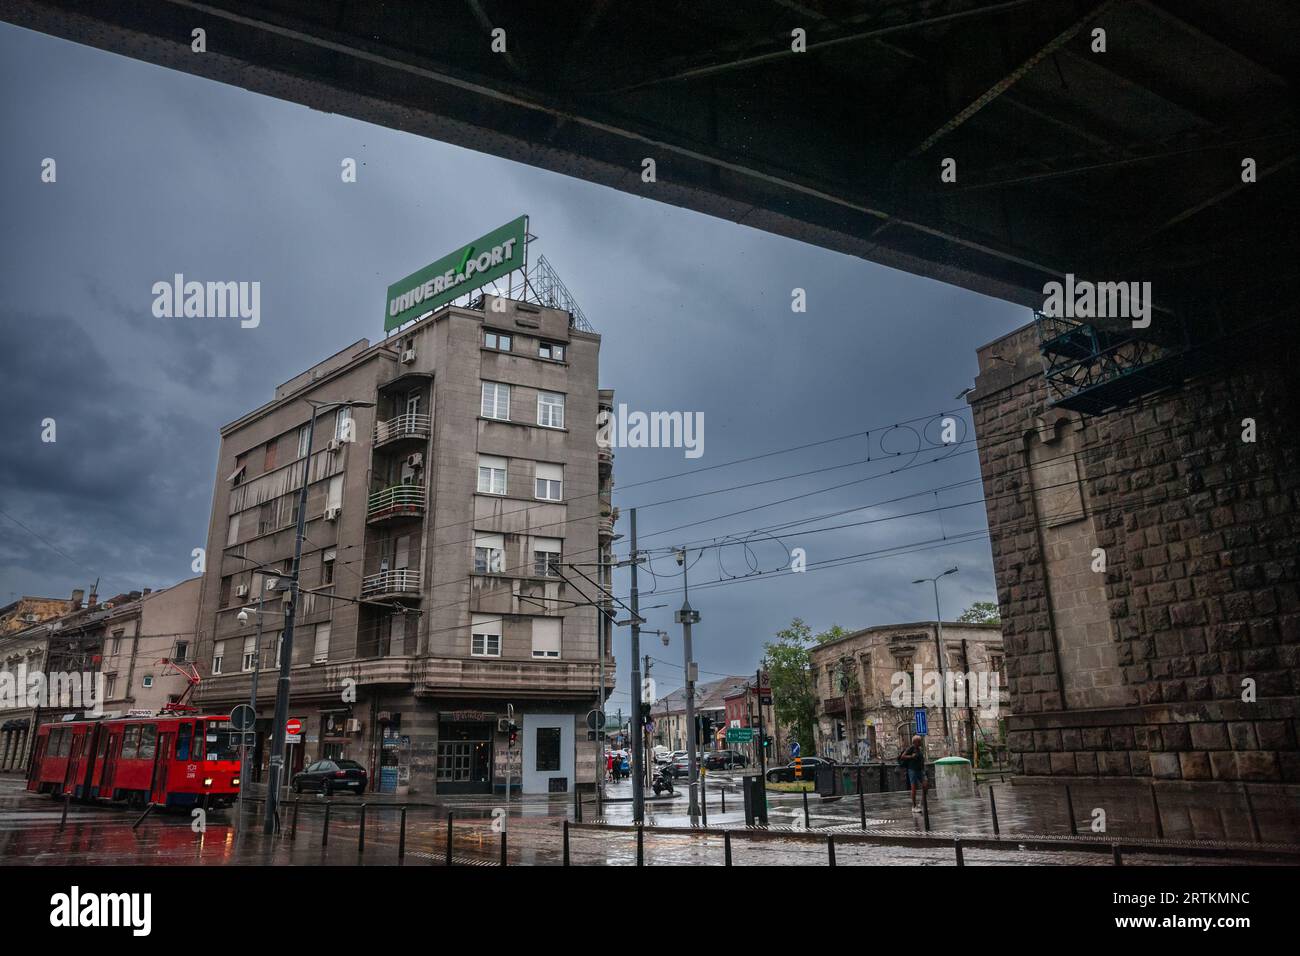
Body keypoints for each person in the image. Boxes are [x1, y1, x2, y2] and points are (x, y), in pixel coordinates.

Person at [900, 735, 927, 812]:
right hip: (912, 770)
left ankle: (921, 803)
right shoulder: (911, 748)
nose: (921, 742)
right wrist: (911, 756)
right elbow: (903, 756)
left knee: (925, 785)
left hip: (920, 770)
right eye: (919, 741)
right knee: (914, 788)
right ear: (915, 742)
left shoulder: (919, 749)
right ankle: (914, 806)